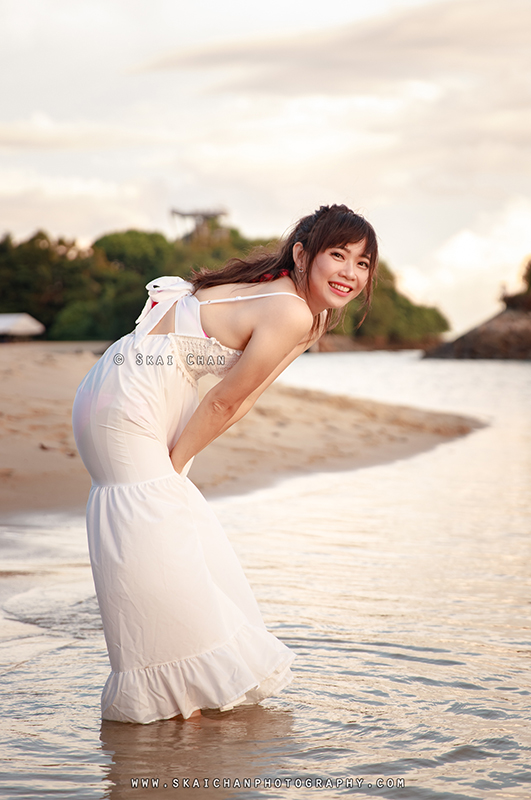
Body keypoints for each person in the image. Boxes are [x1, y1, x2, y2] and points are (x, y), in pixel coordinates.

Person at [72, 204, 378, 724]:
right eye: (338, 255)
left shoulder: (304, 312)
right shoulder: (290, 310)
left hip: (125, 384)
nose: (350, 272)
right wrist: (175, 468)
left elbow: (245, 396)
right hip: (131, 399)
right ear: (302, 255)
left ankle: (180, 709)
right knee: (160, 551)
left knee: (166, 549)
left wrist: (177, 467)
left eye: (363, 263)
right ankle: (166, 712)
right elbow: (223, 401)